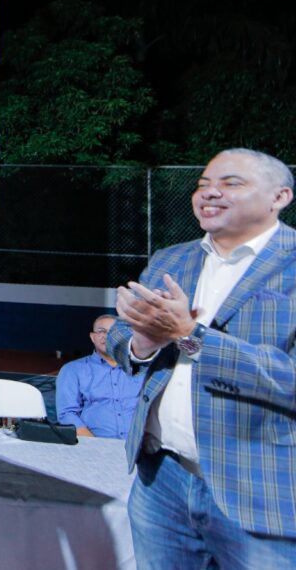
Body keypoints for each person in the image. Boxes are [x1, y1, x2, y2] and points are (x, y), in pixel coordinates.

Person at [109, 148, 296, 567]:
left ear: (279, 197)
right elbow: (122, 336)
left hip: (259, 491)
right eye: (202, 185)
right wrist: (143, 341)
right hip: (162, 481)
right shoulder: (171, 259)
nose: (210, 193)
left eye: (231, 183)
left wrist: (190, 336)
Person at [56, 314, 143, 439]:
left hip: (138, 449)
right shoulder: (73, 370)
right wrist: (95, 446)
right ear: (93, 337)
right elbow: (66, 414)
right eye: (101, 331)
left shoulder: (143, 370)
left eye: (113, 332)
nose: (107, 336)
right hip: (94, 448)